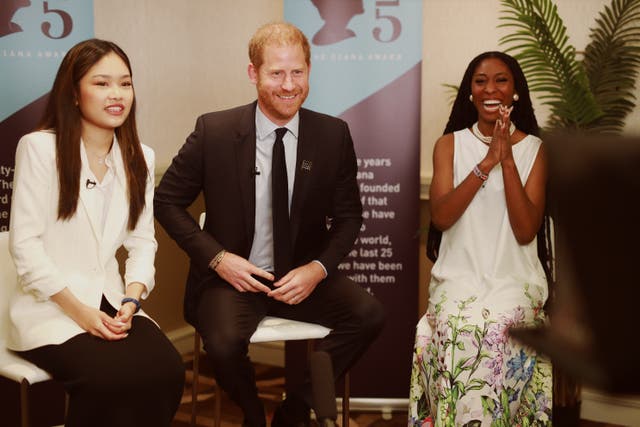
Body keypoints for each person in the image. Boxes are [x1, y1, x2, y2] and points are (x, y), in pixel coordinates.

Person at [154, 22, 385, 427]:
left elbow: (349, 218)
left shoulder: (333, 135)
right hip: (233, 278)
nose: (288, 85)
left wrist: (317, 269)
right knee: (223, 345)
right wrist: (219, 259)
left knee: (368, 315)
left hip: (300, 277)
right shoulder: (216, 131)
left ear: (309, 71)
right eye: (276, 73)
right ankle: (251, 413)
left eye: (297, 72)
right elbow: (167, 201)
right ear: (253, 73)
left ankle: (295, 408)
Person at [8, 38, 185, 427]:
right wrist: (81, 313)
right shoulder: (39, 149)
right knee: (109, 381)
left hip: (113, 304)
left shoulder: (141, 155)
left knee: (168, 371)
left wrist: (132, 299)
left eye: (125, 83)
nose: (117, 94)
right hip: (53, 308)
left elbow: (142, 242)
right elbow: (25, 246)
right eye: (102, 83)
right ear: (73, 94)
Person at [408, 51, 553, 426]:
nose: (491, 89)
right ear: (469, 93)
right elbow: (441, 215)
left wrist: (506, 158)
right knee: (462, 326)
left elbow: (525, 231)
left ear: (515, 91)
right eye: (480, 81)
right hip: (460, 278)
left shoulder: (536, 150)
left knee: (496, 328)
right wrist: (486, 162)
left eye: (501, 80)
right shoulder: (449, 146)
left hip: (515, 279)